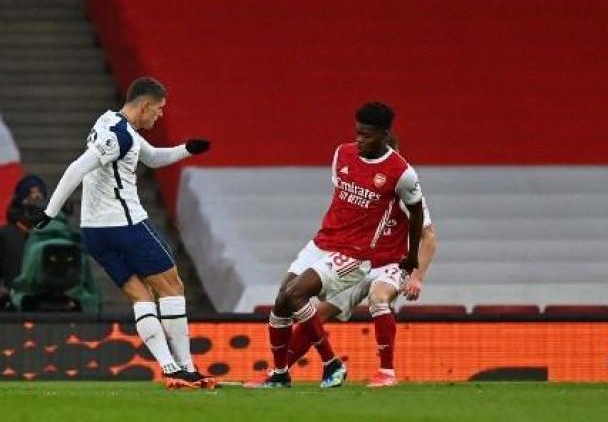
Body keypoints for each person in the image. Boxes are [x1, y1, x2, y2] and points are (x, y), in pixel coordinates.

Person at [29, 77, 213, 389]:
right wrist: (50, 211)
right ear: (143, 106)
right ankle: (188, 367)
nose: (159, 115)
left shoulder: (109, 122)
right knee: (172, 287)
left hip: (95, 233)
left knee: (140, 296)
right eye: (158, 109)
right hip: (125, 224)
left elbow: (152, 157)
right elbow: (78, 167)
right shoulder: (119, 135)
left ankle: (169, 369)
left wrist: (186, 149)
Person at [253, 102, 424, 389]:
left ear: (384, 135)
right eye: (357, 133)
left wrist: (413, 258)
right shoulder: (342, 154)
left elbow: (418, 213)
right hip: (322, 242)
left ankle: (332, 363)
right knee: (283, 299)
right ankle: (280, 374)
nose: (359, 140)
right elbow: (342, 201)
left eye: (367, 135)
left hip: (354, 253)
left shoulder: (401, 172)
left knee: (297, 295)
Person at [0, 175, 49, 308]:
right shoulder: (4, 235)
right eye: (30, 197)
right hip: (12, 309)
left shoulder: (54, 234)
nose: (35, 203)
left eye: (39, 198)